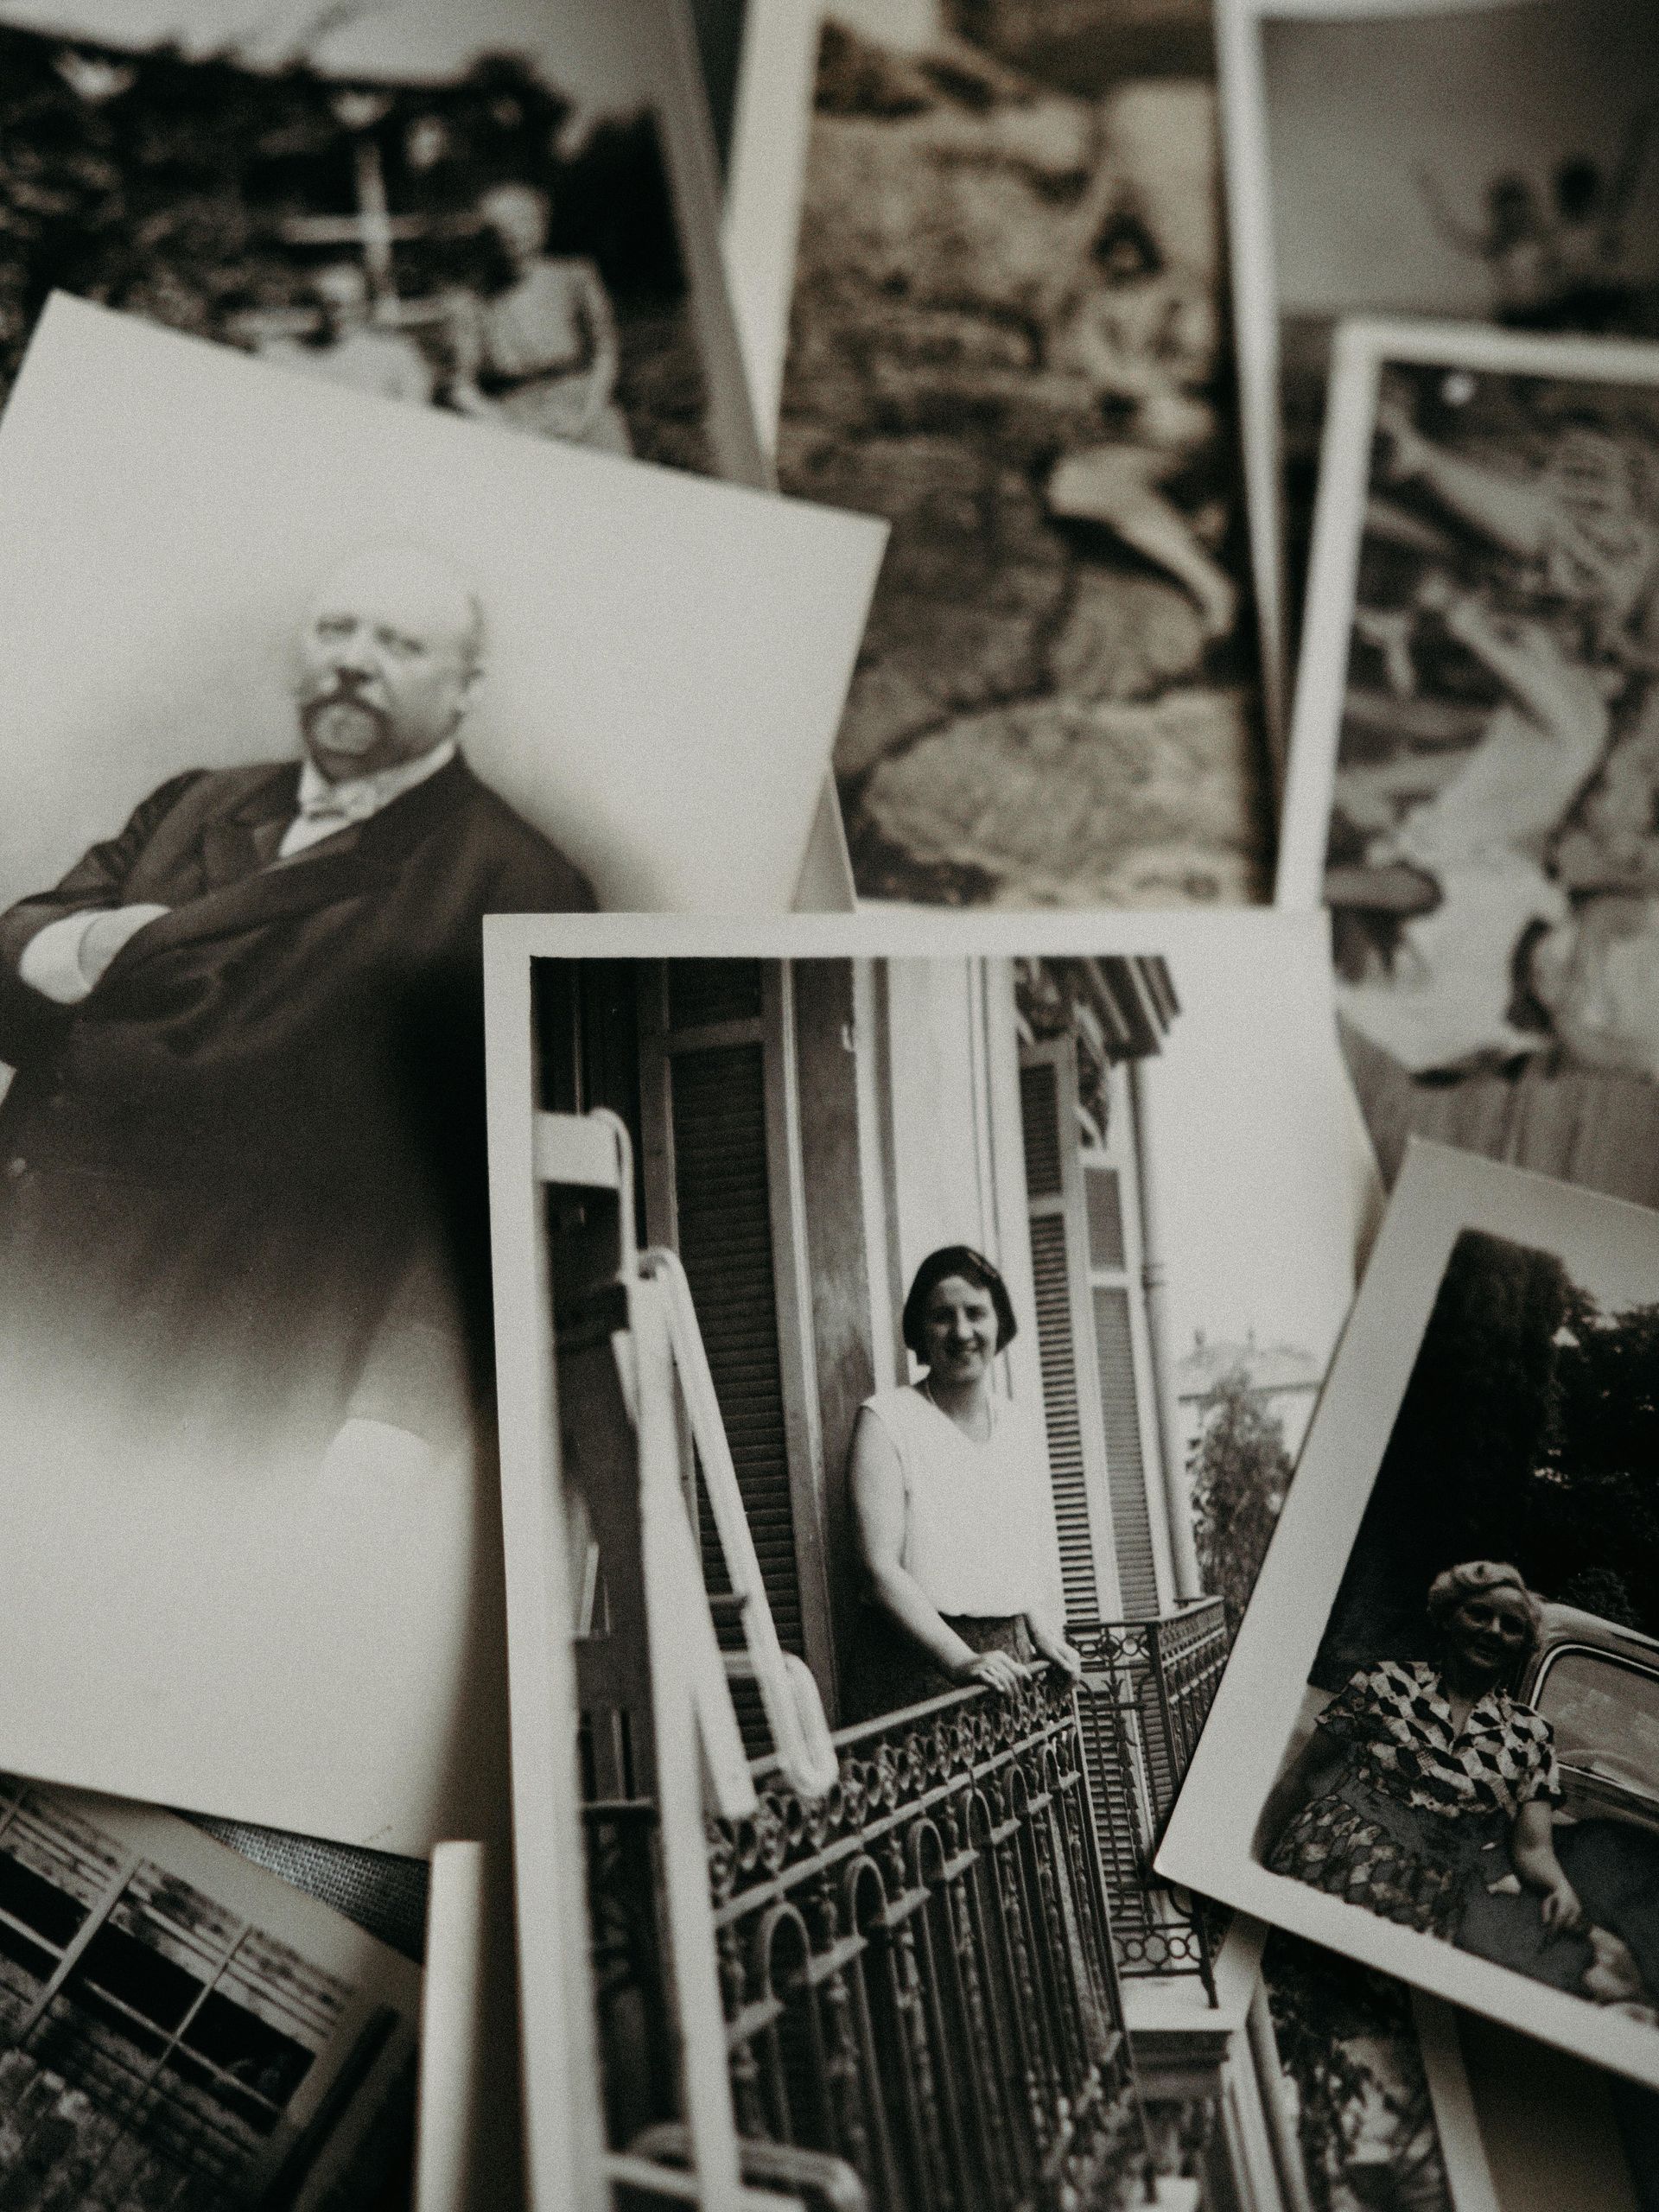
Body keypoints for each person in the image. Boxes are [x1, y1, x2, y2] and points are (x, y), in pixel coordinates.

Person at [0, 540, 594, 1483]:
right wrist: (81, 949)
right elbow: (16, 980)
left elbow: (497, 1185)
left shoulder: (516, 880)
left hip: (230, 1336)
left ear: (467, 688)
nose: (353, 660)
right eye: (335, 630)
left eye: (398, 643)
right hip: (28, 1270)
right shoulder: (199, 800)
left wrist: (399, 1416)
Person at [1332, 575, 1611, 1074]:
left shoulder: (1480, 1004)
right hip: (1439, 851)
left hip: (1409, 879)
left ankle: (1443, 622)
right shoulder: (1534, 883)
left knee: (1568, 741)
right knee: (1564, 742)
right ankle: (1439, 625)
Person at [1261, 1562, 1581, 1949]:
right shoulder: (1384, 1684)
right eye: (1480, 1614)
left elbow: (1533, 1846)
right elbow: (1301, 1777)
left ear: (1523, 1644)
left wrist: (1559, 1886)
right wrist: (1251, 1858)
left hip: (1430, 1900)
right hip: (1331, 1860)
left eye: (1511, 1626)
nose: (1494, 1630)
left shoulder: (1531, 1736)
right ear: (1449, 1617)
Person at [846, 1245, 1080, 1720]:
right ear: (919, 1329)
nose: (961, 1332)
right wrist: (961, 1660)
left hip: (1009, 1664)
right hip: (918, 1664)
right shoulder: (886, 1421)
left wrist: (1044, 1632)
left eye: (976, 1313)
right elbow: (879, 1569)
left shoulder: (1018, 1427)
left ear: (1000, 1322)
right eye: (941, 1317)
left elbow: (1023, 1555)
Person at [442, 182, 631, 454]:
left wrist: (587, 414)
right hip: (513, 422)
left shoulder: (575, 277)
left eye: (523, 222)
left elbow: (605, 352)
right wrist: (513, 431)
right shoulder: (469, 301)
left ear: (542, 225)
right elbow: (461, 387)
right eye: (499, 228)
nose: (512, 235)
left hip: (585, 407)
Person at [254, 261, 435, 407]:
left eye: (350, 304)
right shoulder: (280, 356)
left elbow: (414, 415)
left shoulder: (396, 356)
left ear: (364, 305)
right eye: (328, 303)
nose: (337, 313)